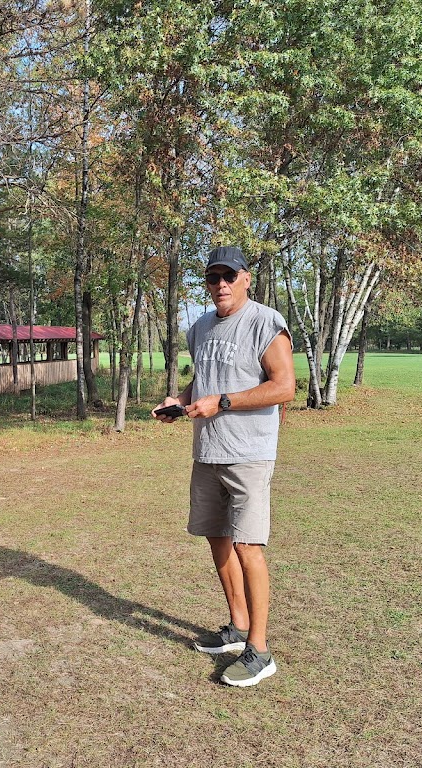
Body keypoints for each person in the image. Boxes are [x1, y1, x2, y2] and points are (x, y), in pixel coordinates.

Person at [154, 245, 295, 687]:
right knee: (218, 539)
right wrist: (180, 400)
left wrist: (225, 402)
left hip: (248, 455)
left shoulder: (265, 322)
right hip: (207, 453)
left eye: (229, 277)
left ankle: (260, 650)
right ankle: (236, 627)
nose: (221, 285)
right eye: (214, 278)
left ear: (246, 278)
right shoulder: (199, 327)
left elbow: (284, 387)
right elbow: (205, 380)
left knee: (248, 547)